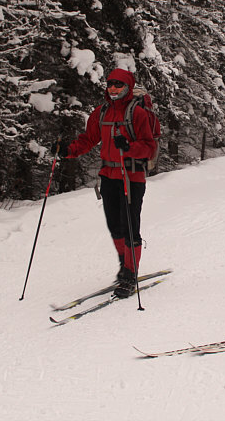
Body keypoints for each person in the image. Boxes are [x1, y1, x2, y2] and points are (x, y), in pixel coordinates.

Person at [56, 68, 157, 299]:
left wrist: (129, 147)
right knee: (115, 226)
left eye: (118, 85)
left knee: (130, 226)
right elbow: (88, 139)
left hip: (131, 177)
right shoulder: (101, 112)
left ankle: (130, 275)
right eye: (110, 84)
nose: (113, 88)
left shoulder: (138, 114)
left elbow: (149, 147)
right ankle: (125, 266)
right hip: (109, 176)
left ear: (128, 87)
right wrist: (67, 151)